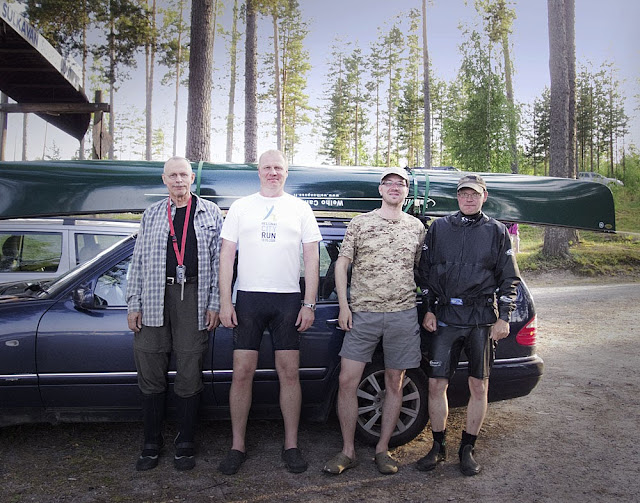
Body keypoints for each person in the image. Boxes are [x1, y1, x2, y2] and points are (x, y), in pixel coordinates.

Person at [217, 149, 321, 475]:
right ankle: (237, 446)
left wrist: (309, 303)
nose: (272, 172)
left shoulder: (300, 208)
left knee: (289, 373)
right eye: (267, 167)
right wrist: (225, 301)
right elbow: (226, 256)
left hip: (287, 299)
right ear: (259, 171)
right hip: (248, 297)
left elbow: (313, 258)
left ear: (286, 172)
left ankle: (291, 445)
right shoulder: (241, 207)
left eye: (278, 167)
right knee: (241, 372)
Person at [322, 167, 426, 476]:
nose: (394, 187)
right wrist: (344, 306)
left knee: (395, 382)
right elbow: (342, 265)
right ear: (380, 189)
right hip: (363, 315)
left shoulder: (416, 227)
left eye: (400, 183)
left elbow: (421, 270)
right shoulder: (360, 223)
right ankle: (348, 451)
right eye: (388, 182)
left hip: (402, 315)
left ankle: (382, 450)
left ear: (406, 192)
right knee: (347, 381)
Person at [417, 173, 520, 476]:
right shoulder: (439, 228)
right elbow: (425, 272)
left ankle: (467, 449)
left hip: (480, 319)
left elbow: (509, 278)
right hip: (446, 317)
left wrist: (504, 317)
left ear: (484, 196)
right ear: (457, 196)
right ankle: (438, 446)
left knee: (479, 385)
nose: (469, 199)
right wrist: (429, 309)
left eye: (474, 194)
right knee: (436, 384)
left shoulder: (497, 231)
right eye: (464, 193)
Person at [127, 156, 223, 472]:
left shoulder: (210, 212)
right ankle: (151, 442)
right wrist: (133, 303)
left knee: (190, 367)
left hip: (194, 295)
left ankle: (185, 442)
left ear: (192, 178)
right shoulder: (152, 214)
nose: (179, 180)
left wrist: (215, 303)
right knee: (150, 364)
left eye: (183, 174)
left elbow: (221, 262)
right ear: (164, 179)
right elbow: (138, 261)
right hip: (155, 294)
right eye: (173, 175)